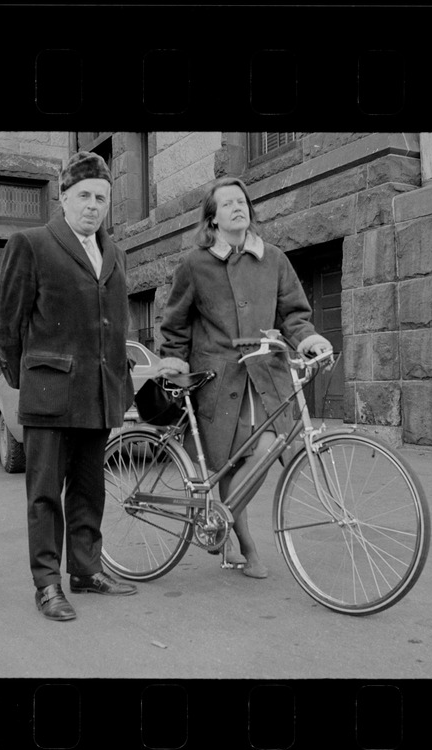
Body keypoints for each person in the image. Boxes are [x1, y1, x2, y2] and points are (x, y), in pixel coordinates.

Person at [156, 176, 332, 579]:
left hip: (266, 375)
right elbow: (175, 323)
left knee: (266, 447)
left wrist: (308, 339)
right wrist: (173, 360)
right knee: (229, 464)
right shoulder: (195, 264)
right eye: (228, 203)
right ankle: (246, 547)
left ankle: (222, 521)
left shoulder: (273, 258)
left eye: (242, 201)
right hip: (217, 380)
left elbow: (294, 316)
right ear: (212, 219)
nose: (238, 207)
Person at [0, 151, 137, 622]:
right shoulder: (30, 243)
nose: (93, 206)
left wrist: (119, 382)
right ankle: (47, 583)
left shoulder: (113, 252)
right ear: (65, 198)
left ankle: (86, 571)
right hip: (49, 395)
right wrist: (28, 377)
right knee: (45, 494)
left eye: (101, 197)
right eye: (84, 196)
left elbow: (115, 326)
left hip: (98, 395)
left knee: (90, 491)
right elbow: (4, 322)